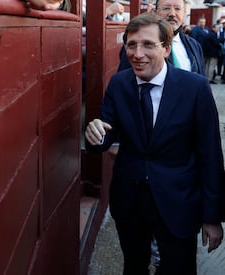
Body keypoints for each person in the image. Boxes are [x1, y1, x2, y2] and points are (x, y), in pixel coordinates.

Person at [85, 12, 224, 274]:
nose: (138, 53)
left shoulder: (195, 88)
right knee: (133, 267)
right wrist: (94, 133)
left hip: (179, 201)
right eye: (131, 44)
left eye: (148, 44)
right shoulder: (118, 84)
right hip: (130, 202)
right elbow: (104, 136)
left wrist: (212, 217)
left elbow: (211, 155)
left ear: (166, 48)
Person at [118, 0, 205, 75]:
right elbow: (124, 85)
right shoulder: (135, 47)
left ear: (184, 13)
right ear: (155, 12)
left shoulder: (195, 45)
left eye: (177, 8)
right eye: (166, 8)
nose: (172, 14)